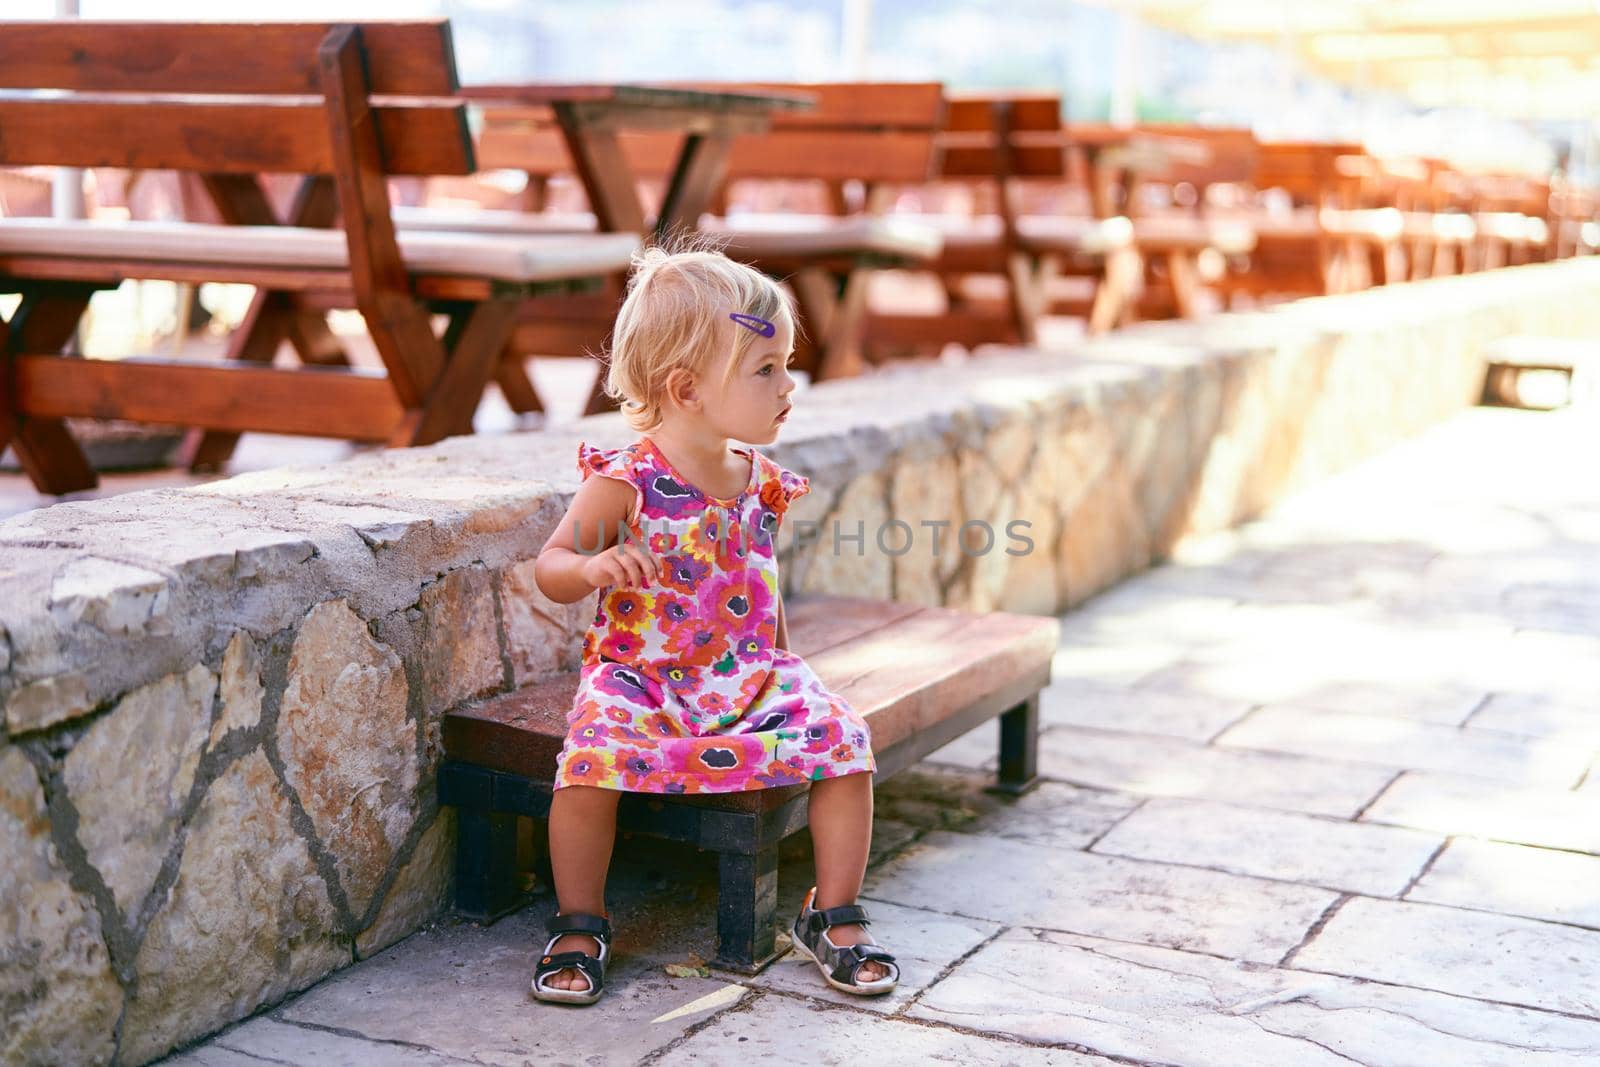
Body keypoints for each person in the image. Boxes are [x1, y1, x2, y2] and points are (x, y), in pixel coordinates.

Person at [528, 245, 899, 1006]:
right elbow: (551, 565)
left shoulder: (760, 479)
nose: (788, 384)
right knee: (590, 760)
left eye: (785, 364)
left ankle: (831, 910)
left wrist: (790, 670)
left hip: (749, 671)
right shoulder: (624, 481)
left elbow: (759, 585)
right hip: (642, 677)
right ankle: (579, 919)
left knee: (846, 741)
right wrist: (593, 569)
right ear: (687, 389)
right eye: (766, 368)